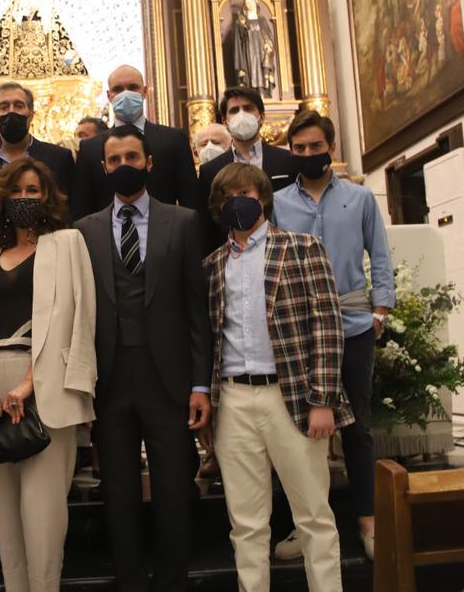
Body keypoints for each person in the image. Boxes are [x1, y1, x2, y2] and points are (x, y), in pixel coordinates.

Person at [0, 157, 96, 592]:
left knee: (43, 511)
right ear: (1, 199)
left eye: (34, 191)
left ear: (47, 198)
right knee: (6, 514)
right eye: (17, 191)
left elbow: (79, 319)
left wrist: (28, 384)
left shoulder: (68, 243)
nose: (25, 199)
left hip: (46, 382)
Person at [201, 163, 351, 592]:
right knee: (246, 523)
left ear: (262, 197)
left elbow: (326, 323)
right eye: (228, 197)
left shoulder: (304, 248)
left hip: (292, 398)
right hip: (233, 401)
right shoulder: (211, 265)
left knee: (314, 517)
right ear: (219, 207)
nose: (238, 202)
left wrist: (323, 399)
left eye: (245, 192)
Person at [73, 126, 210, 591]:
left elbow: (198, 311)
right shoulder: (83, 232)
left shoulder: (184, 222)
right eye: (115, 160)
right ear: (104, 168)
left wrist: (200, 384)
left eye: (133, 156)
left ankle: (173, 580)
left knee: (174, 490)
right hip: (109, 380)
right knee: (119, 494)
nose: (124, 165)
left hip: (168, 377)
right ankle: (128, 580)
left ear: (150, 163)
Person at [273, 109, 394, 561]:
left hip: (353, 326)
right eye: (299, 148)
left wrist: (380, 313)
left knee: (358, 429)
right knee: (299, 431)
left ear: (331, 148)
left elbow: (379, 257)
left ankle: (369, 521)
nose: (307, 154)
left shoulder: (359, 199)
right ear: (291, 151)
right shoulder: (279, 202)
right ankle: (305, 528)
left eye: (315, 147)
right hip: (301, 331)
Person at [70, 65, 200, 221]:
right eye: (118, 89)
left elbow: (192, 203)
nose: (126, 94)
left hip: (165, 236)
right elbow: (81, 209)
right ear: (109, 95)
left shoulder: (173, 140)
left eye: (133, 87)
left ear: (144, 91)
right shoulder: (90, 149)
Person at [0, 82, 75, 233]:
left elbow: (66, 212)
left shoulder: (59, 157)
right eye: (4, 106)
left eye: (19, 106)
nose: (11, 112)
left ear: (30, 115)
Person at [197, 86, 296, 253]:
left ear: (261, 117)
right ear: (225, 122)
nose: (241, 115)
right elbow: (208, 224)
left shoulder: (287, 160)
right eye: (234, 110)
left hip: (282, 249)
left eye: (248, 108)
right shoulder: (210, 170)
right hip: (232, 253)